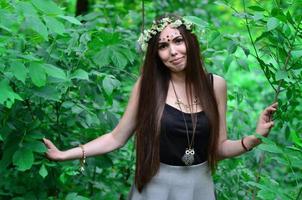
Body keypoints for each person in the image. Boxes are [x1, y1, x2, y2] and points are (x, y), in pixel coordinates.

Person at [43, 14, 278, 200]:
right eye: (163, 46)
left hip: (199, 187)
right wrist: (66, 154)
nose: (173, 51)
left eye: (178, 41)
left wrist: (255, 137)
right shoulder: (147, 86)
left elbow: (219, 148)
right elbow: (116, 138)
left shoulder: (216, 85)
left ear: (190, 42)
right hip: (156, 187)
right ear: (156, 54)